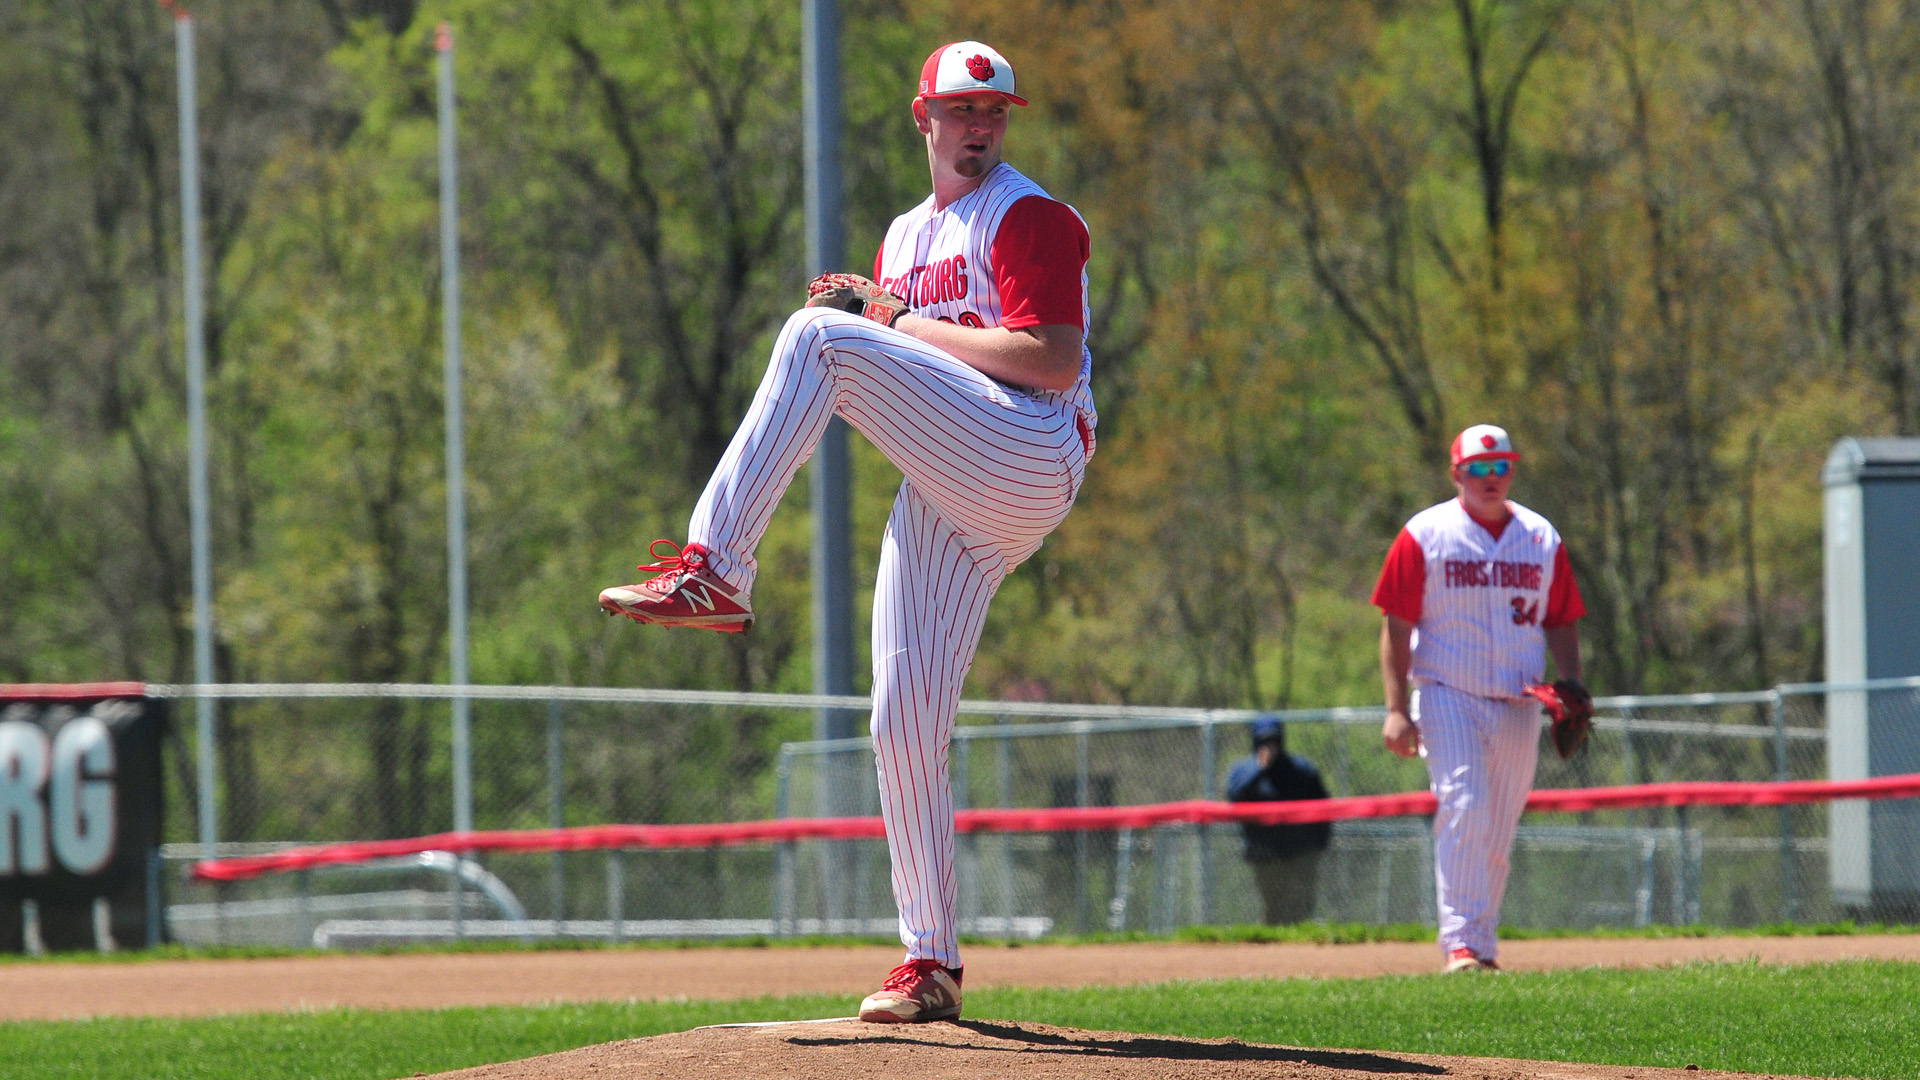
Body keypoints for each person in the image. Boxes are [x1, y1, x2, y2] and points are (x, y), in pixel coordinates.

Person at [598, 41, 1095, 1023]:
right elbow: (907, 377)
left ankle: (715, 567)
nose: (979, 125)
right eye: (959, 110)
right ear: (924, 118)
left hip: (1036, 448)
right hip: (954, 481)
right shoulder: (903, 237)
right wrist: (889, 321)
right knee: (900, 717)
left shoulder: (1027, 213)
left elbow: (1048, 356)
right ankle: (931, 962)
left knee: (817, 335)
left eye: (994, 110)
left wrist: (891, 327)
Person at [1369, 424, 1587, 972]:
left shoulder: (1541, 538)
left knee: (1499, 825)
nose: (1491, 478)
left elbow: (1561, 618)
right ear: (1456, 473)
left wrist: (1574, 683)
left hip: (1519, 699)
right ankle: (1460, 941)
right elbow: (1396, 625)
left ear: (1512, 469)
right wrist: (1396, 709)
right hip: (1446, 691)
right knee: (1465, 805)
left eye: (1501, 467)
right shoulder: (1426, 534)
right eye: (1478, 468)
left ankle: (1480, 945)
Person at [1225, 717, 1332, 924]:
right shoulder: (1244, 771)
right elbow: (1234, 797)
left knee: (1301, 904)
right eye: (1264, 741)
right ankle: (1273, 951)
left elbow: (1324, 805)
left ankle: (1299, 948)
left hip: (1301, 851)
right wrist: (1259, 769)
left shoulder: (1300, 769)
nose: (1270, 746)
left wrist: (1321, 841)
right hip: (1264, 853)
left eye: (1274, 741)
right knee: (1274, 906)